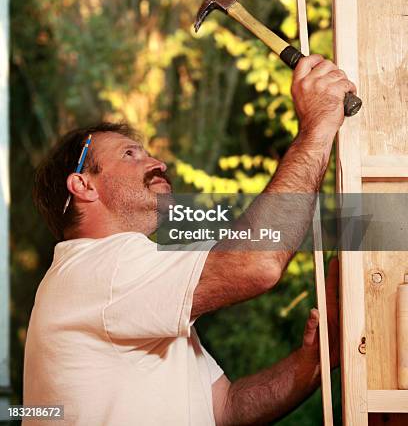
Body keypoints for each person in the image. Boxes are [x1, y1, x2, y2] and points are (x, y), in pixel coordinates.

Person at [23, 54, 356, 425]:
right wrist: (317, 127)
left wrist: (313, 361)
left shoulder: (123, 284)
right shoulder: (103, 268)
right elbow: (257, 262)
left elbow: (226, 408)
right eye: (130, 154)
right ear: (83, 185)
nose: (157, 163)